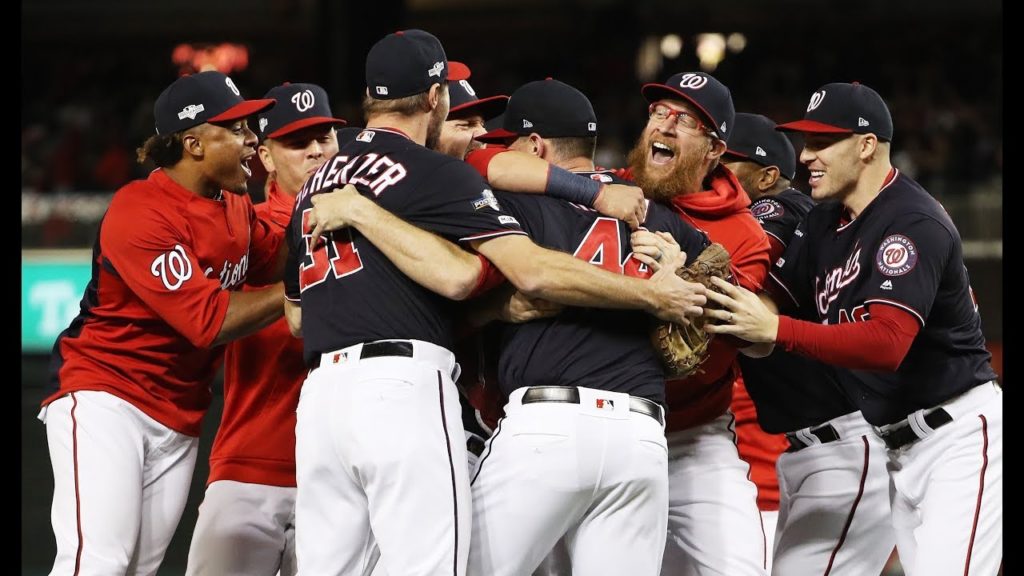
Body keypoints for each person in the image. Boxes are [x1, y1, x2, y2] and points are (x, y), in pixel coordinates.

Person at [282, 29, 706, 576]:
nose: (481, 138)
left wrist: (489, 308)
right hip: (630, 429)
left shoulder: (314, 185)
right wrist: (656, 288)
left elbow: (296, 317)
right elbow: (482, 275)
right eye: (470, 121)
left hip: (323, 395)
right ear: (435, 98)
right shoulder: (443, 174)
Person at [465, 71, 772, 576]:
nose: (666, 126)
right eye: (659, 113)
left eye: (511, 144)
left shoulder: (519, 200)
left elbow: (476, 168)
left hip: (554, 427)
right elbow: (726, 309)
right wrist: (676, 278)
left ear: (535, 148)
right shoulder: (655, 214)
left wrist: (677, 282)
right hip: (641, 435)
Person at [704, 82, 1002, 576]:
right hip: (896, 447)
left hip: (960, 439)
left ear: (866, 146)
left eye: (822, 143)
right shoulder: (823, 220)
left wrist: (776, 331)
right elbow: (769, 304)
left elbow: (886, 343)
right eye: (806, 143)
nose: (806, 156)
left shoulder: (909, 220)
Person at [39, 70, 284, 575]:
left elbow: (281, 255)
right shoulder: (141, 210)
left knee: (136, 571)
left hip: (178, 412)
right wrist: (302, 289)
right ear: (193, 143)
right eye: (236, 129)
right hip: (107, 396)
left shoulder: (233, 204)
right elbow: (210, 321)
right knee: (98, 563)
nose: (251, 140)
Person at [721, 112, 895, 575]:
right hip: (818, 451)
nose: (715, 170)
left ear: (767, 176)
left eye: (728, 162)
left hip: (844, 448)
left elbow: (743, 285)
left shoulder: (779, 208)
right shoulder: (814, 221)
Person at [185, 82, 346, 576]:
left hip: (342, 472)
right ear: (266, 157)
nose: (317, 150)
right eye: (298, 142)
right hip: (252, 461)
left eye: (325, 136)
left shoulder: (379, 223)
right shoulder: (246, 230)